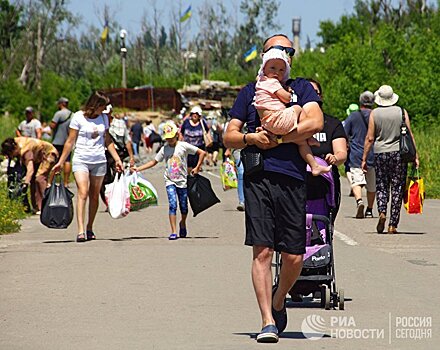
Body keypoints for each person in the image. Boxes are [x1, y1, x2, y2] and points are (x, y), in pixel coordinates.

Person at [223, 34, 324, 343]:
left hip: (293, 178)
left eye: (287, 52)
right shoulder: (249, 92)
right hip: (259, 178)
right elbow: (229, 136)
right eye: (274, 52)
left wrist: (279, 138)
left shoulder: (301, 88)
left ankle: (280, 298)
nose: (281, 58)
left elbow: (316, 122)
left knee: (294, 255)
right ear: (264, 58)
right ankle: (267, 319)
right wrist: (252, 139)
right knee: (263, 250)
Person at [52, 91, 123, 242]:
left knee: (95, 195)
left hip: (99, 160)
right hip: (81, 159)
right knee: (83, 192)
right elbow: (70, 141)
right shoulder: (77, 117)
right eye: (102, 106)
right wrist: (60, 161)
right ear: (95, 105)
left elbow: (108, 140)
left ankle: (90, 226)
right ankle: (80, 230)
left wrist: (117, 159)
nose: (104, 110)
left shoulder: (104, 118)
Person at [255, 49, 330, 176]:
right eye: (272, 68)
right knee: (298, 108)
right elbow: (286, 98)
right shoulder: (271, 82)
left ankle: (314, 165)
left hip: (269, 124)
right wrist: (288, 92)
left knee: (300, 141)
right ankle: (309, 136)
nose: (276, 73)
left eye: (281, 70)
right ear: (264, 68)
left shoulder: (260, 83)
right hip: (277, 119)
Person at [131, 121, 206, 240]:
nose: (170, 140)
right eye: (168, 138)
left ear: (177, 135)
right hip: (170, 180)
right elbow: (153, 162)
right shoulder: (164, 149)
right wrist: (138, 169)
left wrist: (197, 167)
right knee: (172, 205)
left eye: (172, 138)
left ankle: (182, 222)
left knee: (184, 207)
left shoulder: (183, 146)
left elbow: (202, 152)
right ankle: (173, 231)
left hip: (182, 181)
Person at [361, 85, 419, 234]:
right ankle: (393, 224)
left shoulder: (375, 114)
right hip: (399, 154)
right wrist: (415, 156)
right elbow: (409, 135)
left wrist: (364, 158)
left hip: (381, 154)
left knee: (381, 185)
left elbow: (370, 138)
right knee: (397, 187)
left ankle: (381, 211)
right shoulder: (401, 112)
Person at [308, 78, 348, 221]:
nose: (312, 96)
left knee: (325, 223)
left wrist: (335, 158)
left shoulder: (332, 123)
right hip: (299, 181)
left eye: (316, 93)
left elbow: (342, 152)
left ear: (321, 96)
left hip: (326, 183)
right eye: (307, 92)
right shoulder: (293, 122)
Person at [1, 137, 58, 214]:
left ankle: (45, 207)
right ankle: (36, 207)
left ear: (14, 149)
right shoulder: (14, 142)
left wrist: (25, 184)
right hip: (38, 155)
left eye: (10, 154)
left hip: (49, 154)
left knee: (39, 178)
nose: (11, 157)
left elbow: (30, 170)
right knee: (33, 180)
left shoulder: (26, 152)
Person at [344, 91, 376, 219]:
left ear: (360, 102)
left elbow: (344, 133)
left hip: (356, 153)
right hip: (373, 153)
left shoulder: (353, 116)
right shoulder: (375, 116)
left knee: (356, 182)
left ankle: (359, 201)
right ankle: (369, 209)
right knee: (371, 185)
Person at [100, 105, 135, 206]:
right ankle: (108, 202)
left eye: (107, 112)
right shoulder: (98, 122)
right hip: (103, 153)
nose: (106, 114)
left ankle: (119, 200)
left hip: (118, 153)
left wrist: (131, 157)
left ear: (111, 112)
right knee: (103, 179)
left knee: (118, 176)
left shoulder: (120, 123)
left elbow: (127, 141)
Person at [50, 97, 73, 186]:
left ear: (61, 104)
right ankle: (66, 182)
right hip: (68, 141)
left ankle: (54, 181)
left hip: (57, 141)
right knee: (67, 160)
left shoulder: (58, 114)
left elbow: (52, 125)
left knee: (55, 161)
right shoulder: (72, 114)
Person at [180, 106, 209, 171]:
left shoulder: (202, 123)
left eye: (197, 114)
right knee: (187, 167)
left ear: (199, 115)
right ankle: (188, 179)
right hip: (187, 148)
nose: (195, 115)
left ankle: (194, 179)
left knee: (196, 167)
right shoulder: (186, 122)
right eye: (193, 113)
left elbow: (207, 131)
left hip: (198, 149)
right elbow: (181, 132)